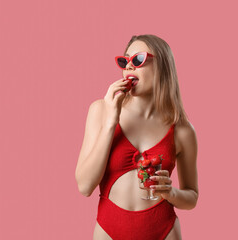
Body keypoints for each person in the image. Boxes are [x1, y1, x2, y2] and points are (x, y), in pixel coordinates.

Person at [75, 34, 199, 240]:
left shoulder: (183, 130)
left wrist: (171, 193)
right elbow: (85, 186)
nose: (129, 67)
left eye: (138, 60)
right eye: (125, 61)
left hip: (164, 231)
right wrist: (110, 122)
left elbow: (192, 197)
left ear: (162, 67)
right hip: (108, 230)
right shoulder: (100, 110)